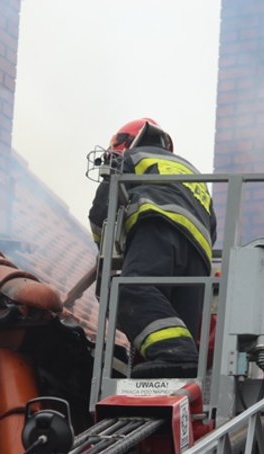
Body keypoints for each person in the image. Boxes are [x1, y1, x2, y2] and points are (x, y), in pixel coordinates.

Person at [89, 118, 217, 379]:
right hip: (199, 256)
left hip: (157, 227)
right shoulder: (192, 174)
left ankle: (176, 355)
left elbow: (102, 210)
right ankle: (175, 367)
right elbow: (212, 225)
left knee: (130, 290)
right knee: (176, 320)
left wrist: (106, 250)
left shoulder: (135, 157)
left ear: (127, 142)